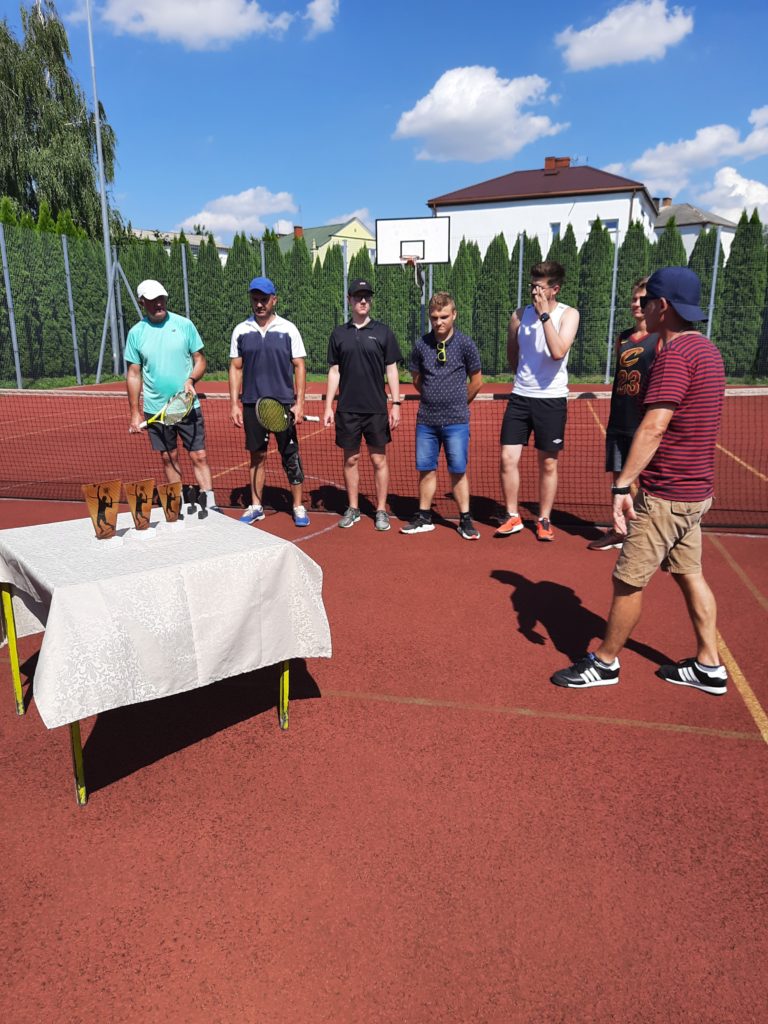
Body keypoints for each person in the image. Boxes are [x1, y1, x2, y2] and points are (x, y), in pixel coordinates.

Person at [551, 267, 728, 695]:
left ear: (662, 307)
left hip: (667, 494)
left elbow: (654, 427)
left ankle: (605, 663)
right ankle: (709, 666)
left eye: (647, 301)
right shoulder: (708, 350)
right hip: (696, 492)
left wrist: (621, 485)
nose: (641, 307)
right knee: (689, 573)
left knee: (627, 579)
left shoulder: (675, 355)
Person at [496, 260, 580, 542]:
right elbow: (512, 353)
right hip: (520, 396)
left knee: (548, 464)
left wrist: (545, 316)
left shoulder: (569, 315)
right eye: (532, 286)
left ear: (555, 289)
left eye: (540, 287)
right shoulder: (519, 315)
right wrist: (523, 376)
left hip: (552, 400)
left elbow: (558, 352)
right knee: (507, 458)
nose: (534, 291)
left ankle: (544, 518)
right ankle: (512, 515)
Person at [126, 279, 217, 510]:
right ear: (142, 302)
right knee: (168, 457)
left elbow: (200, 360)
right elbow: (134, 374)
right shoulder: (136, 333)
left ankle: (211, 504)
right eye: (152, 300)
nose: (159, 303)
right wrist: (135, 413)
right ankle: (178, 503)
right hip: (155, 409)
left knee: (199, 455)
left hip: (186, 405)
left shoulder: (184, 325)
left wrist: (191, 379)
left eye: (161, 298)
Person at [401, 291, 483, 540]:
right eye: (435, 317)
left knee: (458, 470)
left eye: (444, 316)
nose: (439, 322)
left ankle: (465, 520)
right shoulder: (421, 345)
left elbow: (477, 381)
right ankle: (424, 517)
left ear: (454, 315)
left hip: (457, 421)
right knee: (426, 469)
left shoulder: (466, 344)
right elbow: (417, 379)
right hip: (426, 421)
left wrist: (458, 403)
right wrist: (433, 397)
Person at [229, 276, 310, 527]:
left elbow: (299, 365)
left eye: (264, 299)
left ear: (274, 300)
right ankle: (256, 506)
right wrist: (234, 404)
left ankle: (298, 506)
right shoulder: (241, 330)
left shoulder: (289, 329)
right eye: (255, 299)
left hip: (283, 404)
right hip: (252, 404)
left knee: (290, 456)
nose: (259, 304)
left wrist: (299, 403)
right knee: (257, 456)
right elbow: (235, 368)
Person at [323, 277, 403, 531]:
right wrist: (328, 406)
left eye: (367, 296)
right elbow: (334, 371)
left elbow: (391, 369)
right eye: (358, 296)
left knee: (379, 461)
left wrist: (396, 403)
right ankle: (353, 508)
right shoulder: (339, 334)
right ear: (350, 300)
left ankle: (381, 510)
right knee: (351, 460)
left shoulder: (383, 332)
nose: (363, 300)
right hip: (347, 409)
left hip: (376, 409)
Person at [589, 276, 661, 550]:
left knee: (645, 481)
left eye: (642, 299)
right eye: (633, 299)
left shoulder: (659, 339)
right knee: (618, 478)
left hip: (643, 422)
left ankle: (644, 533)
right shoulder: (623, 338)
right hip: (619, 419)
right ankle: (619, 530)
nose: (636, 304)